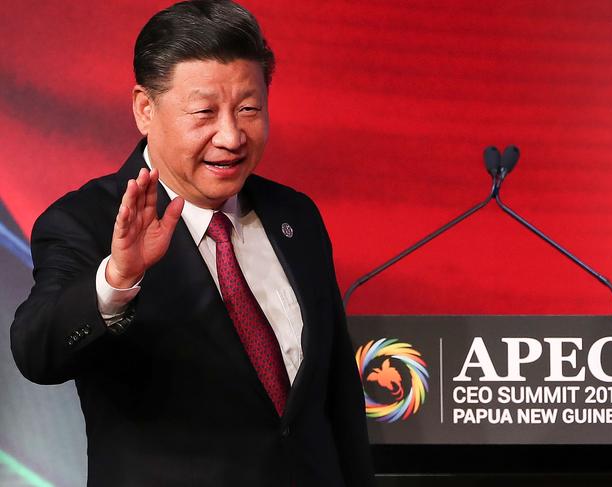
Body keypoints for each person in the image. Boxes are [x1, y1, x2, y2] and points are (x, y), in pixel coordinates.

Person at [10, 1, 375, 486]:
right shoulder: (86, 221)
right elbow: (37, 352)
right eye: (204, 112)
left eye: (248, 109)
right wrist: (118, 279)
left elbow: (337, 400)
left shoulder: (296, 216)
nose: (231, 135)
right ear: (145, 108)